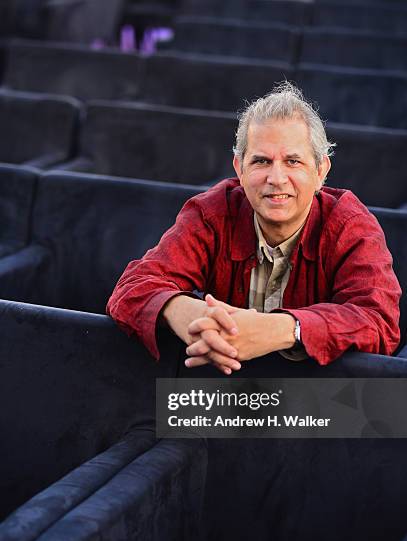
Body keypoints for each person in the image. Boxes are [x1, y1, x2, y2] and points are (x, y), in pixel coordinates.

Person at [107, 82, 401, 374]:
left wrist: (279, 330)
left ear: (321, 171)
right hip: (221, 394)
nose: (276, 178)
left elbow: (379, 323)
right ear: (239, 168)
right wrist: (192, 316)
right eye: (261, 161)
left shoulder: (350, 225)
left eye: (293, 161)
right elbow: (132, 287)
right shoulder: (211, 213)